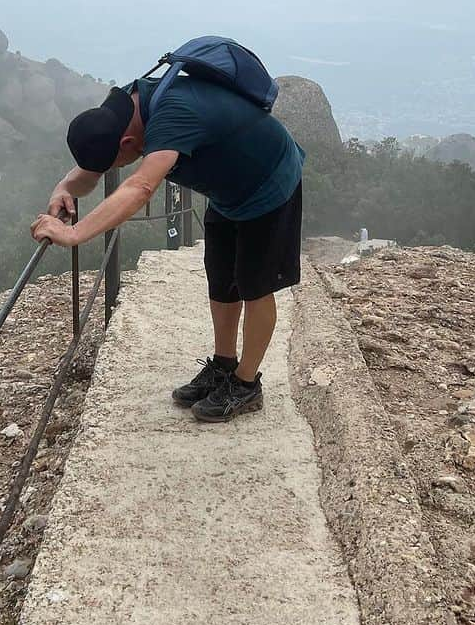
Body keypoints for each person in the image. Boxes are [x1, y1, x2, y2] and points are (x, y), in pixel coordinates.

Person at [30, 67, 305, 423]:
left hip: (269, 183)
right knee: (222, 280)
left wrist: (74, 233)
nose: (109, 170)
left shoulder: (171, 118)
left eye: (115, 162)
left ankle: (246, 383)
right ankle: (224, 365)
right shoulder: (118, 114)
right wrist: (63, 189)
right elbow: (90, 170)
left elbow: (140, 187)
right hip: (227, 191)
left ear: (127, 145)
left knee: (255, 286)